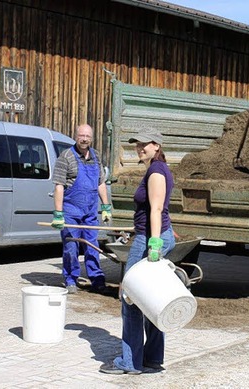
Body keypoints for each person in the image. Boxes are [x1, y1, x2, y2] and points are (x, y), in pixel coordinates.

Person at [99, 127, 176, 375]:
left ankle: (130, 362)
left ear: (157, 145)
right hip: (152, 234)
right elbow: (162, 207)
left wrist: (154, 243)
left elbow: (155, 209)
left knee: (130, 297)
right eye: (137, 144)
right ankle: (153, 357)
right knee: (151, 298)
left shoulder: (155, 171)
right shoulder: (160, 169)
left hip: (148, 239)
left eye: (145, 144)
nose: (140, 148)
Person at [51, 124, 111, 294]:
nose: (84, 139)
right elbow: (59, 186)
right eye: (81, 135)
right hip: (70, 212)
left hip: (90, 212)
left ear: (91, 138)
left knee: (93, 246)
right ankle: (70, 278)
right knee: (71, 248)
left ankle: (97, 279)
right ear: (75, 136)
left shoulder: (95, 156)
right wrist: (58, 213)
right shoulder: (66, 157)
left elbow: (100, 182)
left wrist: (106, 206)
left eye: (87, 136)